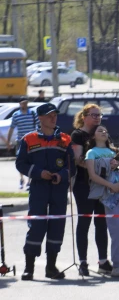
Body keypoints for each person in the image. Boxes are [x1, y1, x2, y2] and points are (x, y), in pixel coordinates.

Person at [16, 103, 75, 280]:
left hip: (58, 189)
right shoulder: (29, 139)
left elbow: (71, 166)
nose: (53, 118)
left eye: (55, 115)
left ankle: (51, 267)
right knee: (36, 226)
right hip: (38, 188)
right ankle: (29, 268)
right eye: (49, 115)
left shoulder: (65, 139)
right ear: (40, 118)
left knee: (57, 226)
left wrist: (61, 176)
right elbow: (20, 164)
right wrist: (38, 173)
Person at [86, 125, 119, 277]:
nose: (103, 132)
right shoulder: (91, 152)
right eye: (99, 130)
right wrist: (111, 185)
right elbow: (93, 175)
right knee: (117, 231)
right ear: (93, 136)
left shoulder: (115, 151)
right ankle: (115, 266)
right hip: (108, 195)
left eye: (105, 130)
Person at [71, 104, 111, 276]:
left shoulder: (101, 132)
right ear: (84, 116)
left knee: (101, 222)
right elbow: (78, 160)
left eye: (99, 115)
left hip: (100, 184)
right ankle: (83, 262)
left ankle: (103, 261)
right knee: (85, 222)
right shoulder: (78, 135)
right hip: (83, 185)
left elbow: (110, 153)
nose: (97, 118)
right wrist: (96, 164)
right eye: (93, 115)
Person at [7, 99, 40, 190]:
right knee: (21, 160)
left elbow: (39, 126)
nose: (24, 105)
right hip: (21, 141)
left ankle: (29, 181)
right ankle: (21, 180)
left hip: (32, 141)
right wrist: (8, 141)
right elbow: (12, 128)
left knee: (32, 161)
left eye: (25, 103)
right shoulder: (16, 115)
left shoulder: (33, 114)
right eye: (22, 103)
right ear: (20, 104)